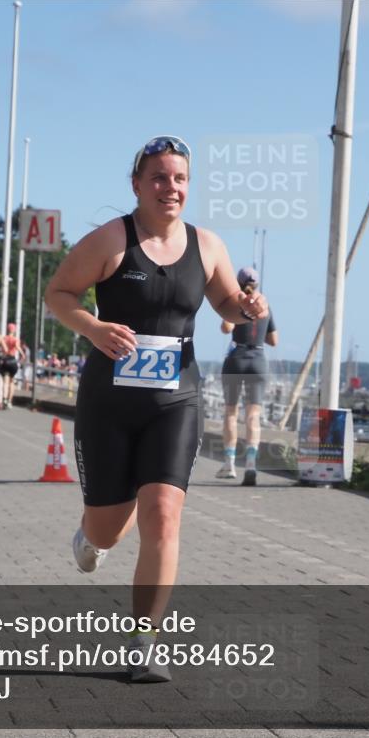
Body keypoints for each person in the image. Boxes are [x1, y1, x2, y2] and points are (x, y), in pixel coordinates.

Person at [44, 135, 269, 683]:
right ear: (138, 185)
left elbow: (224, 304)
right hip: (109, 401)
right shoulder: (109, 240)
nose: (171, 188)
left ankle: (143, 642)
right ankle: (89, 537)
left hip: (176, 399)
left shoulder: (207, 245)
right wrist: (94, 328)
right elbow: (59, 294)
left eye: (181, 179)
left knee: (163, 515)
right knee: (108, 530)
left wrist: (246, 309)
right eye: (160, 178)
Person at [217, 266, 278, 486]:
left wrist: (231, 312)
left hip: (236, 359)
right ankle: (251, 463)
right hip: (258, 360)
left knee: (231, 413)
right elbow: (274, 340)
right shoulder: (266, 306)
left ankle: (229, 463)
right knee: (253, 414)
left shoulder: (238, 302)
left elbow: (226, 327)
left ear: (238, 282)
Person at [0, 323, 23, 409]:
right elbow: (17, 346)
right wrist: (22, 354)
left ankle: (4, 399)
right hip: (13, 361)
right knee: (12, 382)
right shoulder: (15, 339)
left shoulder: (4, 339)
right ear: (14, 330)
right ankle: (9, 401)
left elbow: (2, 350)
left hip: (5, 361)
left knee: (5, 382)